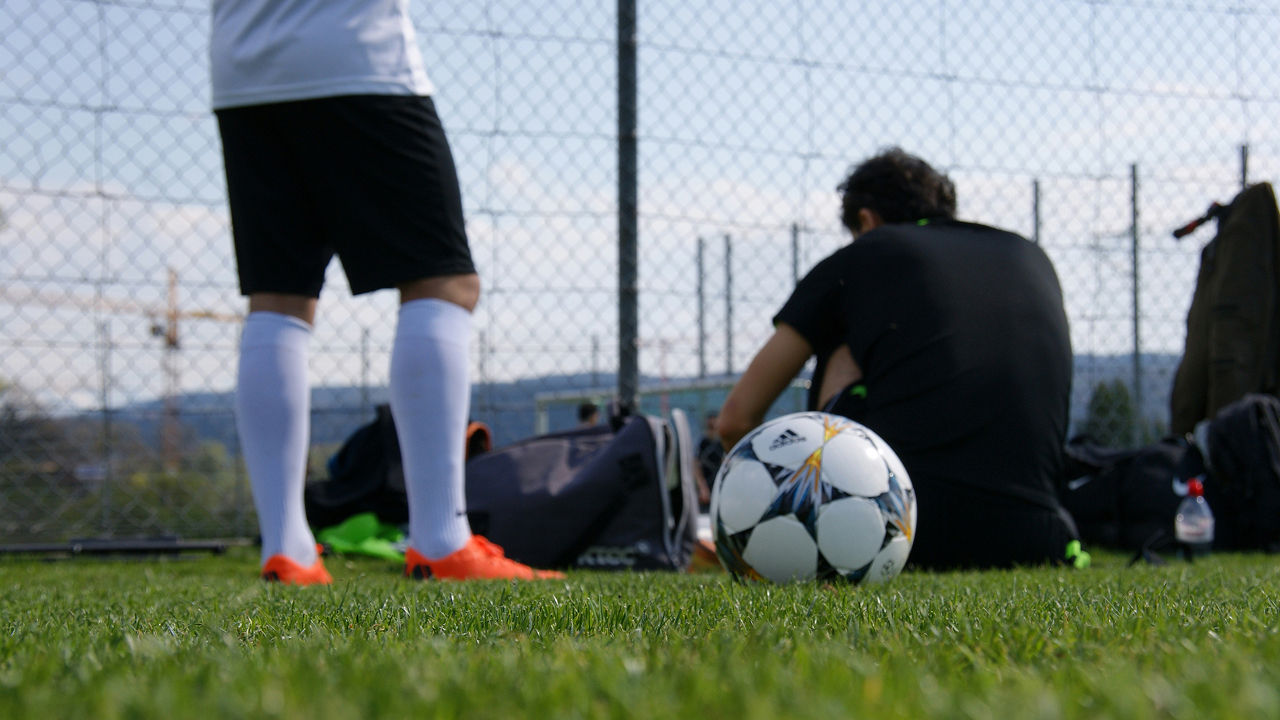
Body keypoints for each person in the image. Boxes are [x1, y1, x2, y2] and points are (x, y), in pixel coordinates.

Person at [211, 0, 560, 584]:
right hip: (353, 53)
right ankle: (442, 541)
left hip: (241, 63)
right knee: (442, 282)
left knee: (278, 299)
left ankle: (287, 549)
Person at [717, 148, 1077, 570]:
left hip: (904, 535)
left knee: (843, 343)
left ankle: (830, 517)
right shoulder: (1029, 255)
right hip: (1039, 537)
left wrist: (746, 508)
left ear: (866, 221)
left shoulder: (866, 254)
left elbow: (736, 420)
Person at [694, 412, 723, 511]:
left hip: (719, 485)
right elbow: (696, 465)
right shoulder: (702, 442)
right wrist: (702, 488)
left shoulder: (721, 443)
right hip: (706, 485)